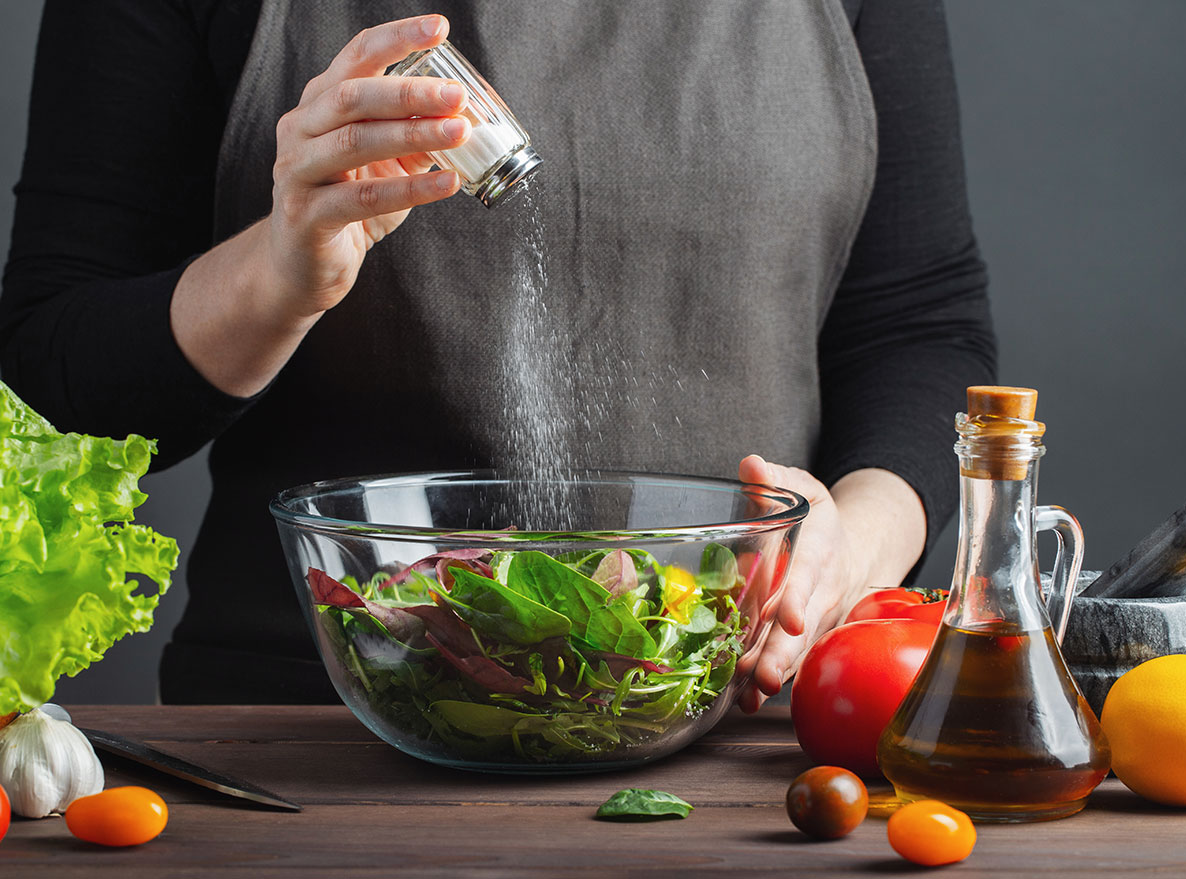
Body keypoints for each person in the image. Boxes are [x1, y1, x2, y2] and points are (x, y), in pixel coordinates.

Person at [0, 1, 995, 711]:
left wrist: (844, 553)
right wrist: (277, 275)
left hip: (746, 719)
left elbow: (918, 321)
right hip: (318, 734)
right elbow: (52, 382)